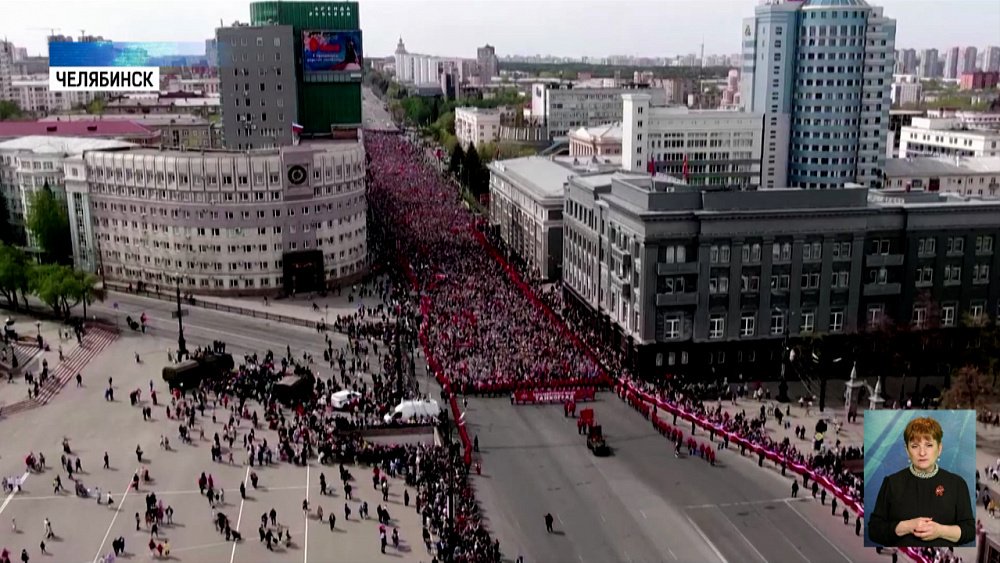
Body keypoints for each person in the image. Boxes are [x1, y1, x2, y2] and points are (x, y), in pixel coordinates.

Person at [868, 417, 976, 547]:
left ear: (939, 448)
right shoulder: (892, 483)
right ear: (907, 450)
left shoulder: (957, 484)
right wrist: (907, 526)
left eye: (929, 445)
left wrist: (940, 531)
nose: (922, 452)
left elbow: (970, 531)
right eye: (915, 446)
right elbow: (874, 530)